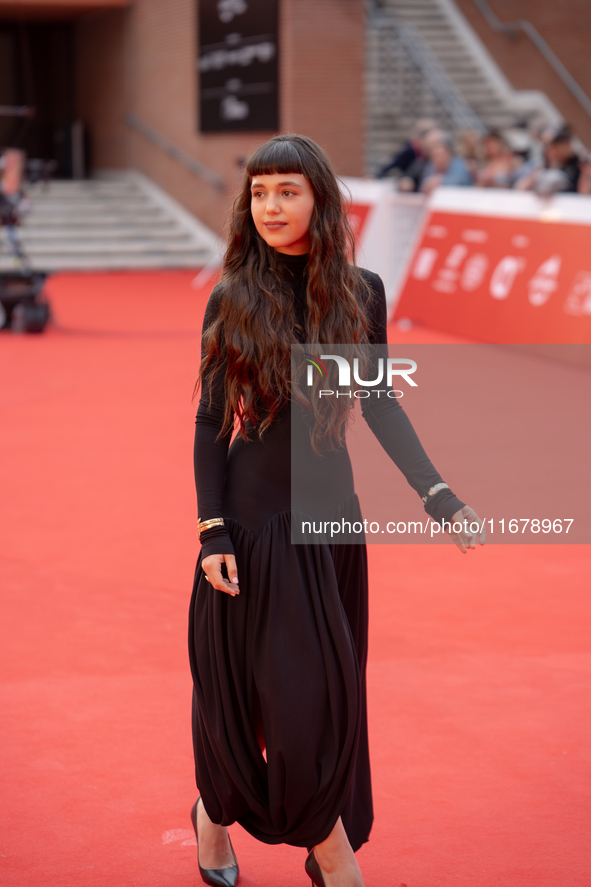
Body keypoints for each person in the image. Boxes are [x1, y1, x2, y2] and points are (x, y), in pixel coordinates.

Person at [188, 133, 485, 887]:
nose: (270, 206)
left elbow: (377, 401)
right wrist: (211, 529)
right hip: (253, 526)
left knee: (320, 696)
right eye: (258, 193)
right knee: (265, 698)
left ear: (319, 199)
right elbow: (209, 423)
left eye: (287, 190)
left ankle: (246, 820)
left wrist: (436, 491)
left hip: (331, 521)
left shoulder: (361, 291)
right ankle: (296, 843)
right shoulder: (232, 295)